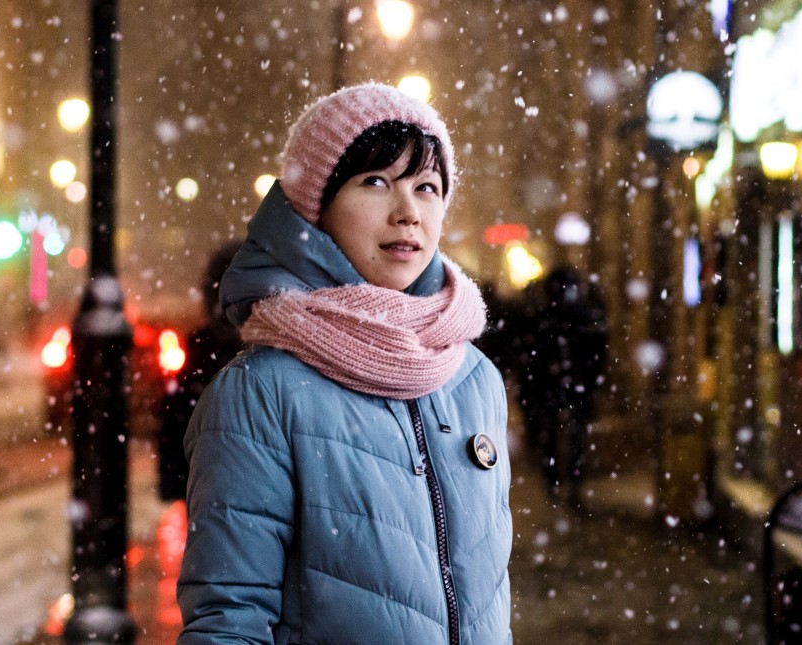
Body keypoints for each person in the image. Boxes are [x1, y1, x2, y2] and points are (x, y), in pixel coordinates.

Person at [177, 83, 512, 644]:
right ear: (315, 207)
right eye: (376, 182)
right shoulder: (261, 393)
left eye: (427, 187)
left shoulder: (474, 378)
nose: (408, 212)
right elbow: (230, 620)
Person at [156, 239, 245, 502]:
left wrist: (175, 480)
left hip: (206, 488)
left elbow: (176, 417)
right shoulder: (272, 350)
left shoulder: (200, 350)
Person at [517, 266, 608, 505]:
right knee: (566, 435)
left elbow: (596, 353)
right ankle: (565, 483)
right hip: (562, 386)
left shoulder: (549, 317)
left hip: (561, 386)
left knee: (562, 435)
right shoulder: (564, 318)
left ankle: (561, 483)